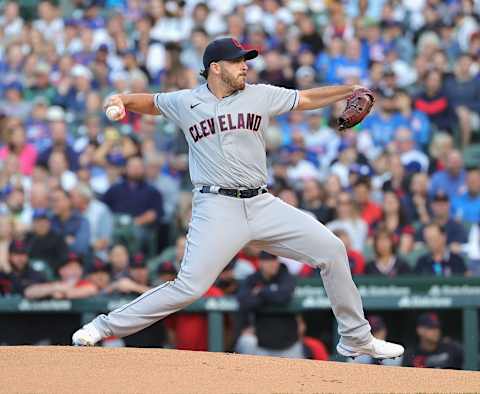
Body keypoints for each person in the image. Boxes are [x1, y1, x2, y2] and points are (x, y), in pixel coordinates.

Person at [72, 36, 403, 360]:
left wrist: (348, 90)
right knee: (189, 286)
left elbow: (306, 98)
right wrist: (119, 100)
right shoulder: (186, 101)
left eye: (245, 60)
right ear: (215, 68)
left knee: (332, 249)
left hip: (262, 202)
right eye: (237, 61)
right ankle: (103, 327)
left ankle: (356, 338)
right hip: (216, 208)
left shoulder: (259, 95)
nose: (244, 67)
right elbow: (150, 102)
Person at [235, 252, 302, 358]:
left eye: (275, 260)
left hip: (288, 344)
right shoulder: (253, 279)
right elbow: (243, 300)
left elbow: (283, 297)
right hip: (261, 344)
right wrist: (271, 295)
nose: (273, 264)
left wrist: (261, 292)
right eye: (268, 261)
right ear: (260, 263)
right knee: (247, 341)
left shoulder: (286, 277)